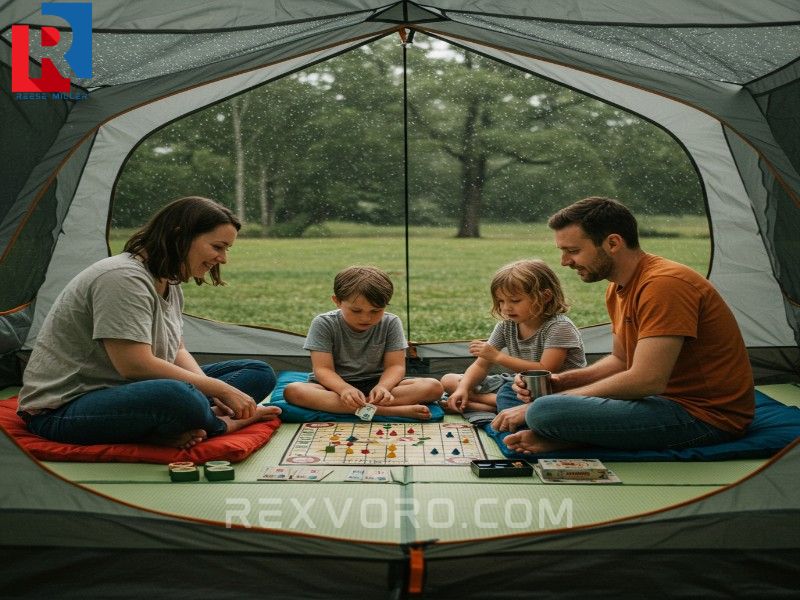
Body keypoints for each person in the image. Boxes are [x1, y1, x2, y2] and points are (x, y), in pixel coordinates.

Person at [17, 196, 280, 449]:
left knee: (258, 372)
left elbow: (176, 350)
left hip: (131, 393)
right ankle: (220, 425)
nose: (223, 259)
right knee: (177, 397)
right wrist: (218, 389)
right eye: (217, 247)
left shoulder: (169, 279)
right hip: (66, 408)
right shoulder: (122, 277)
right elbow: (134, 365)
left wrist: (219, 395)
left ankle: (177, 423)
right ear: (181, 235)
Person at [499, 197, 755, 453]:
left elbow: (648, 380)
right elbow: (621, 361)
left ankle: (566, 434)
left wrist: (550, 402)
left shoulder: (664, 285)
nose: (565, 262)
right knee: (514, 393)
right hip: (655, 402)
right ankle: (567, 434)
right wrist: (560, 382)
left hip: (702, 416)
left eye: (573, 251)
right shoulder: (617, 288)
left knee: (544, 410)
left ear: (613, 243)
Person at [283, 265, 443, 419]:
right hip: (334, 388)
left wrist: (383, 387)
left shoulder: (391, 322)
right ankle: (387, 411)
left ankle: (360, 407)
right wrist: (344, 389)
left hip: (378, 385)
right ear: (337, 301)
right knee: (293, 391)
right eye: (356, 310)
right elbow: (323, 370)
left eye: (376, 311)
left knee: (434, 387)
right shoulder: (323, 323)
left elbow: (395, 366)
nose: (366, 318)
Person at [440, 259, 585, 415]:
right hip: (519, 384)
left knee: (531, 400)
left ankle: (484, 404)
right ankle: (485, 400)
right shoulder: (506, 326)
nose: (506, 308)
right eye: (501, 301)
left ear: (545, 296)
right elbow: (481, 365)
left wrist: (497, 357)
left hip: (553, 389)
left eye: (515, 300)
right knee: (449, 380)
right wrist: (463, 388)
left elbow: (546, 370)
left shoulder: (559, 327)